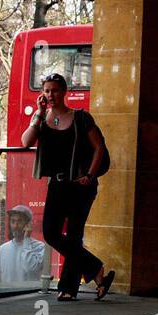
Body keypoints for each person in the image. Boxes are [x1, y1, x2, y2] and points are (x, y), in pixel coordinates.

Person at [21, 71, 113, 301]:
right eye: (47, 91)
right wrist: (39, 114)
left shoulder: (81, 117)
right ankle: (96, 271)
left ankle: (68, 288)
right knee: (51, 233)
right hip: (58, 185)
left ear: (64, 92)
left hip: (81, 186)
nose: (51, 95)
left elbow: (99, 148)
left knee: (73, 236)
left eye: (55, 90)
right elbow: (26, 141)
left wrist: (90, 175)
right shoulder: (43, 119)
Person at [0, 204, 46, 286]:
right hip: (8, 296)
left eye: (19, 221)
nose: (15, 226)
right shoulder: (3, 249)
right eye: (13, 221)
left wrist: (26, 240)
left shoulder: (39, 247)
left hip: (29, 296)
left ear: (28, 225)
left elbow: (31, 268)